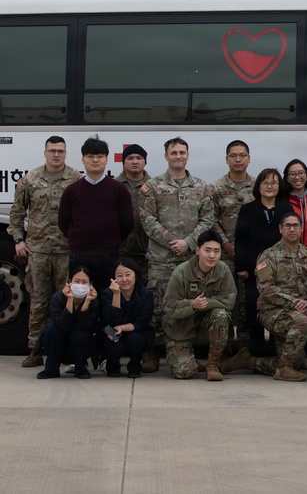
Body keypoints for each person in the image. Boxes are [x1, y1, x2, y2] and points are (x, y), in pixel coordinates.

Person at [139, 137, 215, 373]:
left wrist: (189, 243)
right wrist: (172, 242)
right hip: (162, 259)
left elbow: (208, 219)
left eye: (182, 152)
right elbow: (146, 218)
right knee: (158, 307)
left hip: (190, 260)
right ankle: (152, 353)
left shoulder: (201, 187)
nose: (178, 156)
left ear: (188, 155)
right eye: (174, 153)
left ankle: (186, 354)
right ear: (166, 156)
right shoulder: (153, 186)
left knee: (189, 308)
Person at [221, 212, 307, 382]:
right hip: (272, 312)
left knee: (295, 362)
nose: (292, 229)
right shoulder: (268, 256)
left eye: (295, 225)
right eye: (287, 226)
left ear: (302, 229)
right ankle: (284, 370)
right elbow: (266, 289)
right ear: (280, 229)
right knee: (304, 323)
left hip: (298, 312)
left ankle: (247, 361)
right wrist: (294, 303)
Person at [8, 135, 80, 367]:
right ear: (45, 153)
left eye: (60, 150)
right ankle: (35, 350)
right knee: (38, 301)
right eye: (52, 150)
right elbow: (17, 213)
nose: (56, 154)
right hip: (38, 251)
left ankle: (64, 351)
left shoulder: (75, 179)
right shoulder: (30, 180)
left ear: (66, 153)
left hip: (66, 251)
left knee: (68, 301)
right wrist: (19, 239)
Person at [58, 136, 134, 295]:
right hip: (79, 255)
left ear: (106, 160)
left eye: (99, 156)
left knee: (108, 297)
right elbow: (63, 222)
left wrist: (112, 242)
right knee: (80, 298)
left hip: (109, 256)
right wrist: (77, 239)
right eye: (90, 156)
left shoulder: (118, 189)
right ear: (83, 159)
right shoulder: (72, 190)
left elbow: (127, 222)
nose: (95, 160)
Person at [233, 168, 293, 356]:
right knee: (253, 308)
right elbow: (240, 239)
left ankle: (277, 351)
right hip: (254, 269)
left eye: (274, 183)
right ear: (258, 186)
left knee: (279, 306)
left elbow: (292, 238)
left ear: (279, 186)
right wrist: (241, 266)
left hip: (281, 269)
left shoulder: (286, 209)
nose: (269, 186)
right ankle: (257, 350)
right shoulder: (248, 209)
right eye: (265, 183)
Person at [162, 231, 236, 381]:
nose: (212, 256)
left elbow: (229, 301)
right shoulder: (181, 272)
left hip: (207, 326)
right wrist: (192, 304)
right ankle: (189, 360)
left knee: (220, 314)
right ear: (197, 250)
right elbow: (169, 306)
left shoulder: (223, 270)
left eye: (216, 251)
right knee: (184, 372)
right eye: (207, 250)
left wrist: (206, 303)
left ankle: (212, 365)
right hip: (181, 327)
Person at [212, 140, 255, 348]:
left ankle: (246, 348)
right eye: (233, 155)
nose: (238, 159)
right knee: (225, 300)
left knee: (248, 301)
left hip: (250, 255)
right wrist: (227, 245)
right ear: (226, 159)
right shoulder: (216, 188)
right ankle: (225, 346)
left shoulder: (257, 186)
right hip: (224, 254)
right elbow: (211, 220)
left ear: (249, 158)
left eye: (242, 155)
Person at [36, 266, 100, 379]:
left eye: (84, 282)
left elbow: (84, 326)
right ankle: (51, 369)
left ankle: (81, 369)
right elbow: (62, 324)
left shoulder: (94, 303)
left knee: (81, 334)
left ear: (91, 285)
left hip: (80, 347)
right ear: (69, 282)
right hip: (59, 345)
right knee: (51, 330)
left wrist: (87, 302)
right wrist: (70, 300)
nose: (80, 285)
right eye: (77, 281)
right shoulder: (57, 298)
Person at [99, 258, 154, 378]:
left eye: (128, 275)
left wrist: (122, 328)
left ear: (135, 275)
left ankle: (134, 367)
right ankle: (112, 366)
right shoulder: (106, 294)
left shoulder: (145, 294)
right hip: (110, 328)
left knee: (136, 340)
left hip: (134, 329)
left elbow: (142, 321)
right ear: (114, 278)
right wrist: (116, 294)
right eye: (119, 275)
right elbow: (110, 321)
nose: (124, 279)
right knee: (113, 342)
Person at [117, 144, 151, 287]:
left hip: (147, 253)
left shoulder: (155, 186)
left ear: (145, 161)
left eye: (139, 158)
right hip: (119, 252)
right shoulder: (114, 186)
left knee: (145, 293)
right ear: (124, 163)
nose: (135, 161)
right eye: (130, 158)